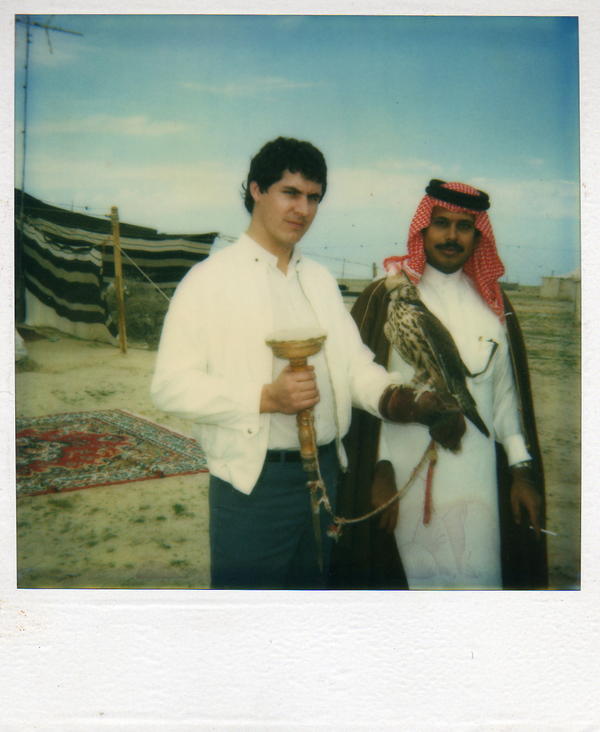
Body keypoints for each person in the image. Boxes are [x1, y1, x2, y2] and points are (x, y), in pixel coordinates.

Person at [151, 139, 463, 589]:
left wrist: (406, 401)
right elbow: (170, 386)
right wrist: (264, 398)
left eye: (313, 197)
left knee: (311, 613)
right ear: (257, 190)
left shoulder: (318, 281)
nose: (303, 209)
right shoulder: (209, 281)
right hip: (254, 485)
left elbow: (355, 368)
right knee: (250, 616)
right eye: (290, 193)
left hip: (326, 477)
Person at [331, 179, 548, 590]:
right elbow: (360, 384)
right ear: (423, 229)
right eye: (442, 223)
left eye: (464, 226)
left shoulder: (493, 305)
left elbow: (505, 400)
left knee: (476, 588)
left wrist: (521, 471)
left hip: (477, 483)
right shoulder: (387, 295)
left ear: (477, 236)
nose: (452, 236)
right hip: (401, 482)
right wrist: (379, 468)